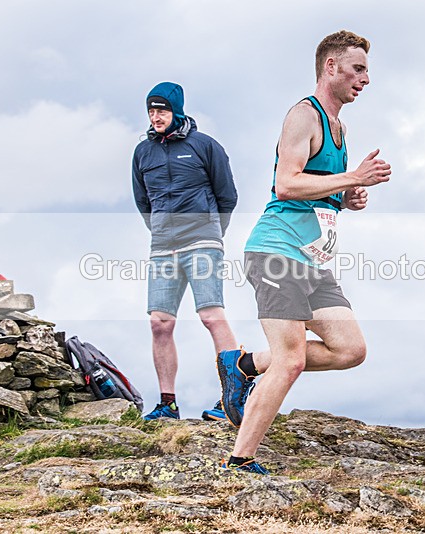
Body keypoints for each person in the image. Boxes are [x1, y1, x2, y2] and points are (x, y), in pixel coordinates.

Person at [216, 30, 392, 474]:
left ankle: (243, 364)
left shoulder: (340, 127)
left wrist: (346, 196)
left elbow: (318, 194)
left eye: (367, 70)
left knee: (350, 349)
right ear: (330, 67)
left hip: (312, 261)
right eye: (358, 69)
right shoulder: (303, 115)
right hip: (276, 252)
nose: (366, 79)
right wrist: (353, 177)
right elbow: (287, 184)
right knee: (291, 359)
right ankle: (240, 461)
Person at [132, 81, 240, 421]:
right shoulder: (142, 152)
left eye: (161, 110)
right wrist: (162, 230)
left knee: (211, 316)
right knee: (159, 323)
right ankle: (167, 404)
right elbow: (142, 201)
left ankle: (230, 399)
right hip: (163, 245)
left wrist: (211, 232)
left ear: (176, 110)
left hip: (203, 240)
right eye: (151, 110)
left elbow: (228, 196)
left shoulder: (205, 146)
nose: (155, 116)